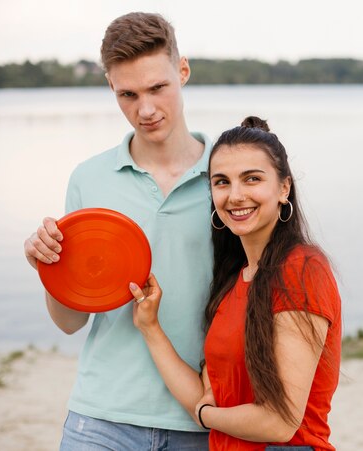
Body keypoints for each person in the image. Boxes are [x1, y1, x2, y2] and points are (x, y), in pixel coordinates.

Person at [23, 12, 212, 449]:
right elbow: (71, 322)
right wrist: (48, 268)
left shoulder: (227, 178)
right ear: (110, 86)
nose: (144, 110)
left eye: (157, 88)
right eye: (127, 94)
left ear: (182, 70)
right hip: (101, 419)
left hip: (202, 417)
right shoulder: (90, 179)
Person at [130, 116, 342, 450]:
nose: (236, 195)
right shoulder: (233, 280)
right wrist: (150, 328)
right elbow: (204, 398)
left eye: (252, 179)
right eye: (222, 182)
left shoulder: (302, 269)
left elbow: (280, 421)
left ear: (283, 187)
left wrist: (206, 418)